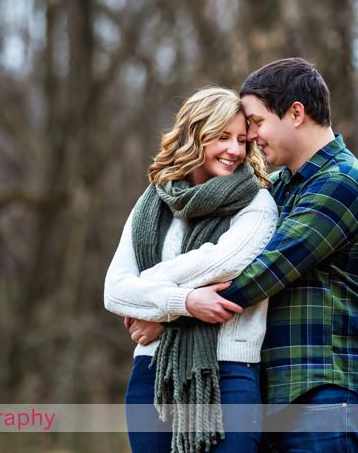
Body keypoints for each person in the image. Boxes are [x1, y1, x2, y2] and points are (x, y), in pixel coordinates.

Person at [161, 58, 358, 452]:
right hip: (272, 397)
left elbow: (264, 273)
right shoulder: (277, 188)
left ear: (296, 113)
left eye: (257, 122)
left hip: (327, 397)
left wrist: (166, 311)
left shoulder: (343, 182)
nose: (252, 137)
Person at [103, 87, 278, 453]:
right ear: (194, 136)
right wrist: (184, 300)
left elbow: (222, 261)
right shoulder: (153, 203)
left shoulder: (257, 204)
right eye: (222, 137)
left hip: (229, 374)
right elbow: (114, 291)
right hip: (153, 372)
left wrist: (149, 298)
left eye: (242, 140)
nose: (234, 150)